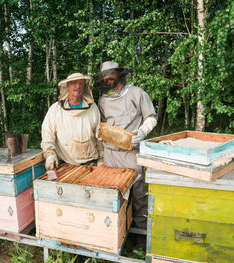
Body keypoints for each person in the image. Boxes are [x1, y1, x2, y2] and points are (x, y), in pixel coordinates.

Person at [94, 61, 157, 252]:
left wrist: (144, 131)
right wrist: (99, 132)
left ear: (120, 74)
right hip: (111, 155)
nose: (107, 78)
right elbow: (102, 124)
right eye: (104, 76)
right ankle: (119, 233)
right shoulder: (103, 100)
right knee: (116, 196)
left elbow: (151, 116)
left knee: (138, 195)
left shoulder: (137, 93)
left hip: (132, 155)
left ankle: (139, 236)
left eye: (110, 74)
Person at [41, 73, 102, 170]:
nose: (78, 86)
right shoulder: (56, 109)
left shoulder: (93, 108)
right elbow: (47, 134)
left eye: (81, 84)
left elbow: (100, 135)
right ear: (68, 86)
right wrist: (50, 154)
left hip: (90, 164)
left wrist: (101, 158)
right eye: (74, 83)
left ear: (84, 87)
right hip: (64, 163)